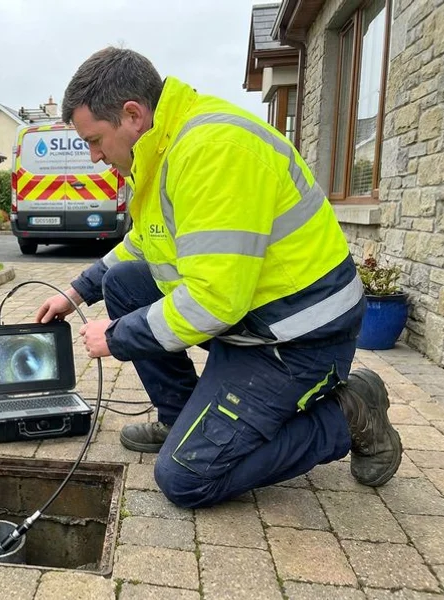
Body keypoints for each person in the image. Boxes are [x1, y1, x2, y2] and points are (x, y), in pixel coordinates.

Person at [36, 47, 402, 508]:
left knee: (186, 478)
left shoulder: (213, 152)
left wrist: (117, 335)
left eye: (94, 140)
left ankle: (349, 414)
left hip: (296, 339)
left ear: (132, 115)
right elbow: (144, 244)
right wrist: (76, 292)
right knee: (123, 283)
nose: (93, 157)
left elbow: (212, 303)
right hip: (252, 317)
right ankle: (181, 417)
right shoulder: (161, 152)